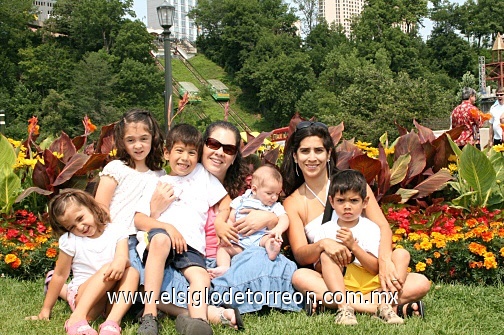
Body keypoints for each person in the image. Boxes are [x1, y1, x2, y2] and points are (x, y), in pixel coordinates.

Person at [132, 121, 299, 333]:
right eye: (213, 144)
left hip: (205, 258)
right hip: (167, 250)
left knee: (255, 264)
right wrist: (159, 217)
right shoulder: (160, 183)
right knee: (144, 265)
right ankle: (170, 313)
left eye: (228, 149)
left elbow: (237, 206)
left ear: (234, 156)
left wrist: (264, 219)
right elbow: (141, 220)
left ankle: (195, 318)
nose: (219, 152)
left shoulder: (240, 190)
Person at [281, 120, 430, 319]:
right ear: (295, 156)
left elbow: (383, 227)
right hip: (334, 275)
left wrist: (385, 262)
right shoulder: (294, 202)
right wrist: (323, 245)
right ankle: (384, 306)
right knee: (301, 277)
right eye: (305, 151)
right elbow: (300, 255)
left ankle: (342, 303)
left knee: (420, 281)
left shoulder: (353, 185)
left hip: (370, 268)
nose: (312, 158)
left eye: (318, 150)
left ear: (328, 155)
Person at [43, 109, 166, 298]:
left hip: (143, 238)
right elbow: (100, 207)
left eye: (143, 138)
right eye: (131, 140)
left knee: (143, 280)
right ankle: (60, 288)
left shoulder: (159, 175)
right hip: (115, 238)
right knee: (119, 280)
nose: (138, 145)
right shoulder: (116, 168)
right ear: (122, 142)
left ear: (153, 138)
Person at [134, 124, 229, 335]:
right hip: (163, 238)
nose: (185, 158)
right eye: (179, 151)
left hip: (191, 246)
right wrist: (167, 227)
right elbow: (139, 219)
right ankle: (150, 316)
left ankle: (198, 322)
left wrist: (221, 220)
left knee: (201, 277)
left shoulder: (203, 177)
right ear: (167, 153)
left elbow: (225, 201)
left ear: (198, 156)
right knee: (160, 241)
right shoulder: (158, 182)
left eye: (192, 152)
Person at [29, 189, 139, 335]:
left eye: (80, 218)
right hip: (84, 299)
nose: (79, 227)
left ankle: (112, 323)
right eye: (71, 227)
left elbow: (123, 257)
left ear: (91, 207)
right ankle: (77, 318)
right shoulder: (71, 240)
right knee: (107, 268)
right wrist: (45, 310)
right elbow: (60, 275)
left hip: (110, 301)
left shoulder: (117, 231)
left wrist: (120, 260)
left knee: (131, 271)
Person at [314, 169, 403, 325]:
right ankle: (348, 308)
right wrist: (339, 257)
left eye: (354, 201)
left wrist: (354, 247)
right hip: (344, 283)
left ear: (365, 202)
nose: (347, 206)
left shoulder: (371, 228)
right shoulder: (325, 229)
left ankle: (385, 303)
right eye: (341, 201)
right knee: (305, 274)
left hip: (372, 284)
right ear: (332, 202)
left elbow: (375, 269)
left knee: (406, 259)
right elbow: (320, 268)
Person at [209, 165, 289, 278]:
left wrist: (277, 229)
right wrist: (229, 233)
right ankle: (224, 267)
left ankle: (271, 249)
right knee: (223, 249)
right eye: (269, 193)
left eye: (277, 193)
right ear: (254, 189)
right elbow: (232, 218)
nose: (274, 198)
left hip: (259, 240)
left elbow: (284, 218)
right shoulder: (241, 200)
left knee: (269, 239)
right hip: (240, 242)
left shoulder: (275, 206)